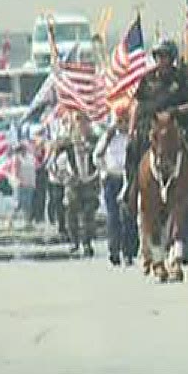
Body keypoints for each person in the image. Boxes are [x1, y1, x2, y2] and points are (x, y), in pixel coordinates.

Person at [128, 40, 188, 201]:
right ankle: (130, 188)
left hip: (178, 124)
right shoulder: (147, 77)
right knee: (132, 147)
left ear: (172, 58)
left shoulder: (182, 76)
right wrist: (131, 128)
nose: (161, 60)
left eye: (165, 56)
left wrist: (176, 111)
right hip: (151, 124)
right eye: (159, 56)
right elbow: (137, 102)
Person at [55, 115, 101, 257]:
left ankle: (87, 242)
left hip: (89, 181)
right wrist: (66, 178)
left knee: (89, 213)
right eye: (79, 122)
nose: (82, 126)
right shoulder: (67, 143)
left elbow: (101, 158)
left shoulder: (95, 140)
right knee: (71, 212)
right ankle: (74, 241)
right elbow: (56, 163)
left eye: (85, 123)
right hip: (73, 183)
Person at [96, 108, 137, 266]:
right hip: (112, 178)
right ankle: (114, 251)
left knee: (128, 216)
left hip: (128, 178)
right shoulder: (108, 137)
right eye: (120, 121)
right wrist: (104, 171)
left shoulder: (133, 137)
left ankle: (129, 252)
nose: (123, 124)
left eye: (126, 121)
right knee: (113, 216)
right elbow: (96, 156)